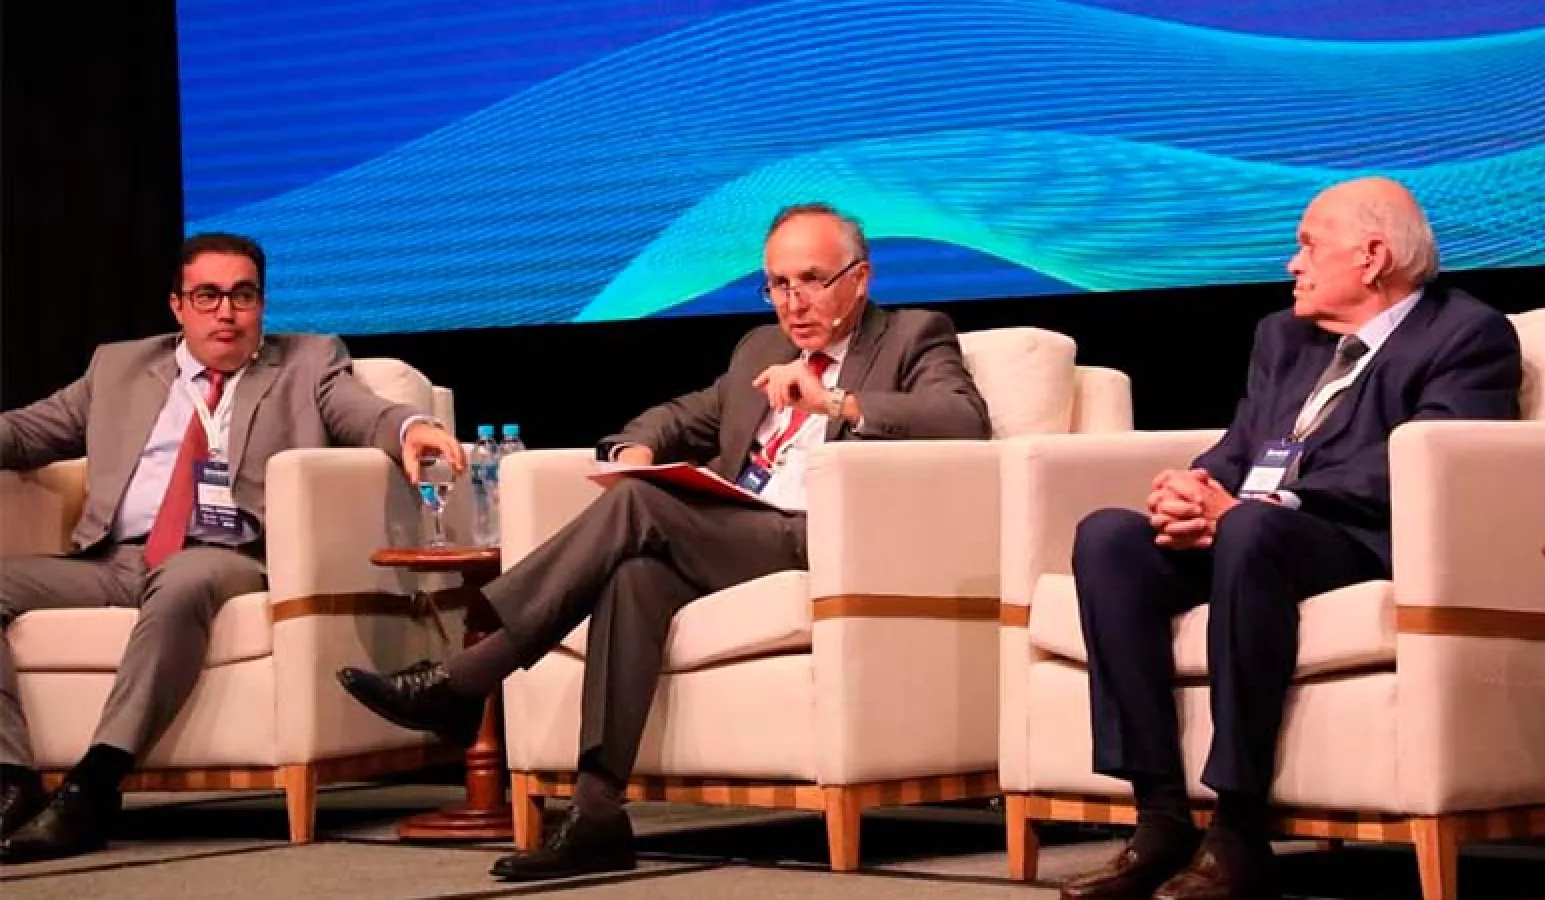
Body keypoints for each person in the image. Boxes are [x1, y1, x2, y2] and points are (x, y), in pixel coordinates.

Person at [338, 202, 992, 881]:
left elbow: (961, 418)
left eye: (811, 280)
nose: (792, 303)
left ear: (859, 278)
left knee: (637, 504)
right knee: (635, 575)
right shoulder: (760, 351)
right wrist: (637, 446)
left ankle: (469, 676)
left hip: (823, 537)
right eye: (777, 284)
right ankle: (596, 815)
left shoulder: (915, 335)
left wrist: (833, 402)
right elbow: (681, 416)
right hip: (741, 533)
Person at [1060, 178, 1521, 900]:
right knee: (1109, 539)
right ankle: (1160, 818)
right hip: (1257, 534)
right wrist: (1193, 488)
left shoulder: (1466, 334)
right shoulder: (1284, 337)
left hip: (1362, 541)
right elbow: (1243, 444)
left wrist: (1263, 501)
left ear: (1372, 257)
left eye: (1307, 245)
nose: (1291, 263)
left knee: (1251, 525)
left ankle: (1239, 829)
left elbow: (1422, 459)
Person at [0, 233, 464, 863]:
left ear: (262, 304)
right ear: (178, 305)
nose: (226, 312)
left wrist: (411, 426)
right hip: (116, 559)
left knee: (185, 580)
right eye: (208, 296)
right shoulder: (118, 369)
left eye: (243, 296)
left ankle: (95, 785)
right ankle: (11, 781)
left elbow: (363, 411)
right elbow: (28, 432)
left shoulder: (308, 362)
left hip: (232, 557)